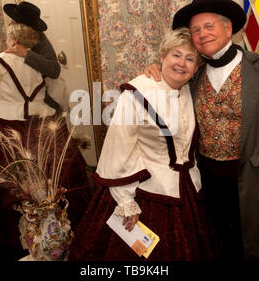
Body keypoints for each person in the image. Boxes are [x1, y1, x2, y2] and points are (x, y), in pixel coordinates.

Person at [144, 0, 259, 261]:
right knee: (220, 247)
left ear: (228, 28)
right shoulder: (193, 75)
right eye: (196, 30)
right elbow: (168, 92)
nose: (202, 34)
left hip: (255, 182)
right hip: (208, 182)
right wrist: (157, 68)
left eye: (209, 26)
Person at [68, 28, 218, 261]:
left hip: (187, 191)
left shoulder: (188, 89)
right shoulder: (137, 93)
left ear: (196, 68)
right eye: (175, 55)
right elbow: (119, 149)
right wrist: (126, 201)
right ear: (162, 57)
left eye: (190, 59)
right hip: (145, 192)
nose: (181, 63)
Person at [0, 22, 90, 260]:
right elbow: (58, 91)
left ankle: (18, 238)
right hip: (40, 123)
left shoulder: (0, 62)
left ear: (12, 39)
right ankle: (60, 230)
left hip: (6, 123)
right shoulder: (39, 62)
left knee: (2, 179)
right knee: (55, 173)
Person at [2, 1, 62, 112]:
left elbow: (54, 69)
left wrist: (26, 53)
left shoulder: (39, 39)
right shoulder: (13, 37)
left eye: (13, 21)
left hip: (45, 105)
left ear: (22, 27)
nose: (10, 23)